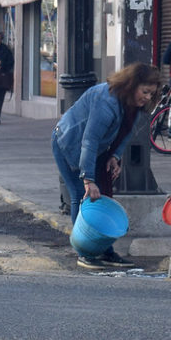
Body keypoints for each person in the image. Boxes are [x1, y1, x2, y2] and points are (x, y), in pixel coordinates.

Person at [52, 62, 160, 270]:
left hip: (98, 148)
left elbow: (127, 131)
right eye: (145, 91)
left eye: (151, 94)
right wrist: (88, 179)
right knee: (81, 195)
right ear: (131, 85)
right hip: (69, 142)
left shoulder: (132, 104)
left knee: (105, 197)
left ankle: (106, 251)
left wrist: (115, 156)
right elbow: (89, 140)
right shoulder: (106, 100)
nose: (148, 97)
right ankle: (84, 252)